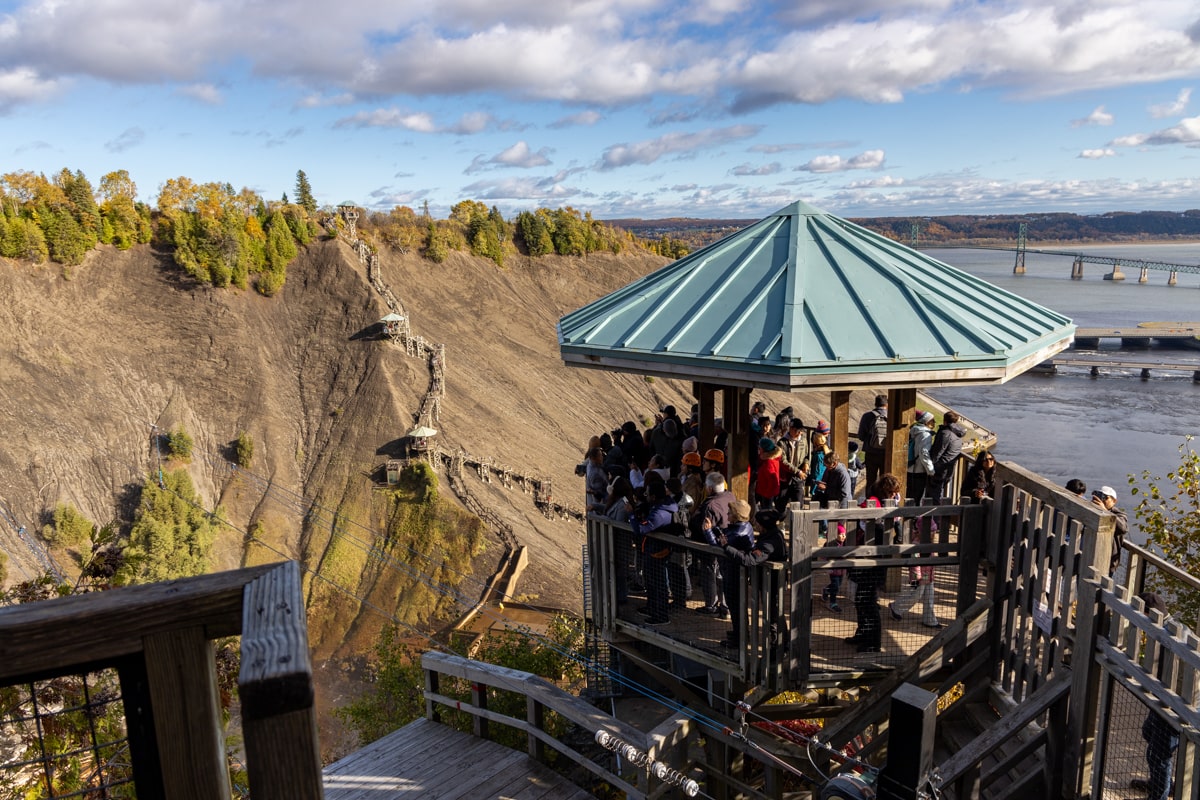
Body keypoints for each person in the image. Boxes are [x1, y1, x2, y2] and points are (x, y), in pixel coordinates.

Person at [846, 474, 901, 653]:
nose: (894, 497)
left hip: (871, 559)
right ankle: (864, 634)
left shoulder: (876, 502)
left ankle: (872, 641)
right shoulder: (877, 503)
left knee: (867, 601)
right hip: (870, 558)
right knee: (863, 600)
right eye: (892, 493)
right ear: (886, 491)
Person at [721, 507, 788, 648]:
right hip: (770, 582)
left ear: (763, 525)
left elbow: (748, 560)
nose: (755, 525)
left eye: (757, 523)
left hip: (772, 584)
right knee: (774, 615)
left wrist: (727, 547)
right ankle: (782, 644)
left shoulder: (769, 542)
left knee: (773, 617)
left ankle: (777, 649)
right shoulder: (773, 535)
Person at [1133, 592, 1178, 800]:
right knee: (1149, 731)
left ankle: (1158, 795)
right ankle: (1163, 783)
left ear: (1148, 613)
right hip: (1167, 699)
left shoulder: (1165, 636)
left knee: (1158, 754)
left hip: (1176, 703)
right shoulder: (1171, 627)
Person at [634, 481, 679, 626]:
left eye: (647, 494)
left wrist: (631, 515)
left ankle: (661, 615)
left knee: (659, 584)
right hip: (652, 550)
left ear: (653, 497)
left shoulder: (660, 514)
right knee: (651, 582)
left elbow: (642, 529)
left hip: (657, 552)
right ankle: (652, 608)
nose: (645, 496)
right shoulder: (661, 507)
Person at [690, 472, 735, 616]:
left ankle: (711, 605)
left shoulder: (710, 505)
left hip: (711, 545)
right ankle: (725, 606)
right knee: (722, 575)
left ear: (709, 488)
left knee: (710, 574)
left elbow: (704, 527)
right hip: (727, 543)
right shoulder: (730, 496)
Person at [716, 499, 755, 642]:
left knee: (735, 604)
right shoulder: (744, 526)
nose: (727, 514)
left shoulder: (739, 531)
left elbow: (719, 543)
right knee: (736, 605)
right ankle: (739, 633)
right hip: (736, 570)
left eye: (730, 512)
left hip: (736, 571)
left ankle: (741, 637)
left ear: (736, 515)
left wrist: (708, 531)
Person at [928, 411, 966, 503]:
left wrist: (930, 466)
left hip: (939, 469)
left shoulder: (945, 433)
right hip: (949, 468)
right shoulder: (958, 434)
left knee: (933, 495)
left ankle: (931, 516)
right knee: (938, 492)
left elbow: (937, 452)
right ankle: (934, 515)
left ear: (944, 420)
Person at [1090, 485, 1128, 574]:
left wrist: (1105, 511)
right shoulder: (1092, 509)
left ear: (1114, 501)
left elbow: (1123, 528)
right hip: (1089, 556)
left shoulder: (1119, 514)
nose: (1102, 500)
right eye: (1100, 496)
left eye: (1105, 498)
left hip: (1107, 561)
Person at [857, 394, 889, 490]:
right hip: (886, 453)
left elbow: (861, 436)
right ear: (886, 404)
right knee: (885, 479)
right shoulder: (891, 415)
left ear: (875, 404)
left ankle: (870, 500)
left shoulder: (867, 416)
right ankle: (884, 500)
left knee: (871, 479)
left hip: (871, 452)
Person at [777, 418, 810, 506]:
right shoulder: (782, 443)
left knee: (799, 504)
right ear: (790, 429)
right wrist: (798, 471)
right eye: (796, 430)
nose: (799, 433)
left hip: (798, 478)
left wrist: (806, 463)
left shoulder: (803, 440)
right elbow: (783, 461)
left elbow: (806, 456)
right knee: (781, 506)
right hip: (785, 477)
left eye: (800, 431)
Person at [906, 411, 936, 504]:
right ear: (927, 422)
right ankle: (912, 517)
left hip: (910, 467)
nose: (934, 422)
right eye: (932, 420)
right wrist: (931, 470)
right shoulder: (925, 435)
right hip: (919, 469)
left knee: (909, 496)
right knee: (916, 497)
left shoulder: (914, 430)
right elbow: (924, 453)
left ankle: (907, 515)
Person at [754, 436, 789, 511]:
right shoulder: (770, 459)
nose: (759, 449)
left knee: (767, 511)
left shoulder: (769, 462)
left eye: (760, 448)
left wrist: (767, 494)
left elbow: (773, 481)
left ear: (764, 450)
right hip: (764, 490)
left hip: (767, 493)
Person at [821, 522, 848, 612]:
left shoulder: (845, 544)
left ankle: (826, 590)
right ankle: (833, 603)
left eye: (844, 534)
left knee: (837, 584)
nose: (843, 536)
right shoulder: (829, 544)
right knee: (836, 586)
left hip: (842, 569)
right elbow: (823, 556)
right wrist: (827, 567)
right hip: (833, 570)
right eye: (841, 534)